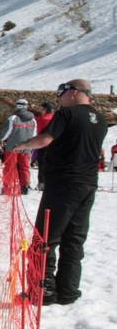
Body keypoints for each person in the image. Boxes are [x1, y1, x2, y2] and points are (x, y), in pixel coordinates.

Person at [9, 78, 108, 305]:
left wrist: (22, 146)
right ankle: (68, 291)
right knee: (74, 239)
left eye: (61, 92)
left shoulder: (66, 114)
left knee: (44, 239)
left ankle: (42, 292)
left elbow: (45, 139)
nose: (58, 97)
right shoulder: (101, 119)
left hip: (63, 184)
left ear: (73, 92)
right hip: (87, 185)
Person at [0, 100, 37, 195]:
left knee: (9, 167)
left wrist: (0, 139)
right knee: (25, 167)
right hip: (27, 147)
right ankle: (25, 187)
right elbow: (34, 134)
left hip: (12, 147)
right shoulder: (33, 120)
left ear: (17, 106)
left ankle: (8, 187)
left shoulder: (13, 118)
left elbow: (7, 133)